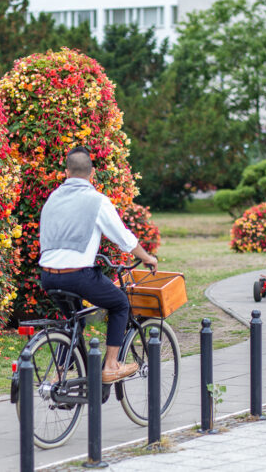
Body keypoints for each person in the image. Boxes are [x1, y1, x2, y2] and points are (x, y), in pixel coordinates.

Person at [39, 147, 158, 384]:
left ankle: (61, 376)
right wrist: (146, 257)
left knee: (75, 321)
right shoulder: (97, 201)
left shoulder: (53, 198)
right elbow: (123, 239)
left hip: (48, 275)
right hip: (77, 275)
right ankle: (111, 366)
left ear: (66, 172)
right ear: (92, 173)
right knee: (120, 303)